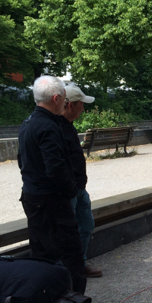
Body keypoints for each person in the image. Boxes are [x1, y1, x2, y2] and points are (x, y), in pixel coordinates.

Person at [17, 76, 87, 293]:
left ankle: (44, 298)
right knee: (71, 252)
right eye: (64, 99)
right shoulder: (49, 126)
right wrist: (71, 190)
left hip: (32, 197)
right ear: (56, 99)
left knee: (41, 253)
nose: (65, 104)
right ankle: (75, 301)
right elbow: (56, 168)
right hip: (52, 200)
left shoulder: (27, 123)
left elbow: (22, 160)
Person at [60, 84, 102, 278]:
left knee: (86, 225)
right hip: (69, 190)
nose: (83, 109)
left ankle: (79, 262)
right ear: (71, 105)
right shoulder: (56, 128)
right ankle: (70, 269)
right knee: (68, 231)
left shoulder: (68, 126)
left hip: (79, 188)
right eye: (81, 105)